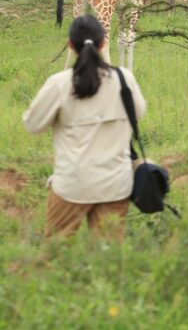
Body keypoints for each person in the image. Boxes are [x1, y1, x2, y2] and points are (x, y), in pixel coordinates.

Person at [23, 15, 146, 240]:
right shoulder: (124, 78)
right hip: (115, 185)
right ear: (103, 43)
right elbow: (138, 113)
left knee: (57, 251)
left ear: (71, 45)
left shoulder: (59, 83)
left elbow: (33, 125)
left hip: (72, 184)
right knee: (107, 254)